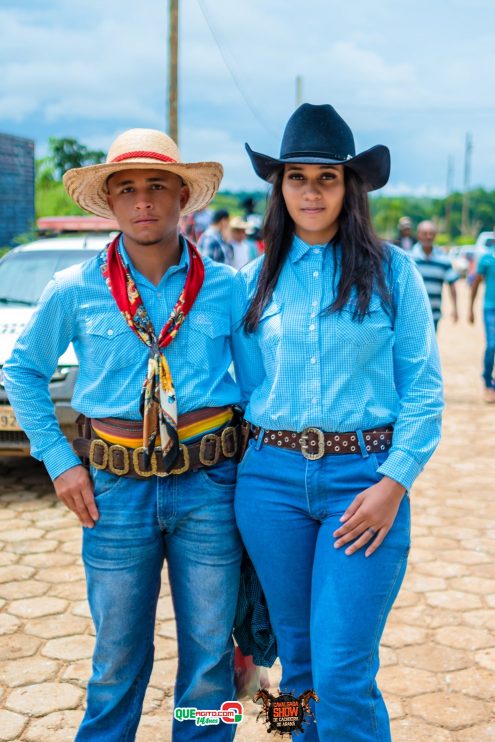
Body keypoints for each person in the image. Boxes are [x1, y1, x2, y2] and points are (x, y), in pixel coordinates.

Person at [3, 128, 244, 741]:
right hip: (113, 490)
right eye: (128, 189)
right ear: (109, 203)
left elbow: (260, 385)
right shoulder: (74, 289)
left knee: (211, 658)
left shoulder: (226, 286)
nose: (144, 202)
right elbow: (23, 371)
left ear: (183, 197)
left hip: (210, 486)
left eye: (158, 186)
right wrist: (60, 462)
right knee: (116, 657)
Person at [231, 103, 443, 741]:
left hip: (364, 482)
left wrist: (394, 483)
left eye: (327, 177)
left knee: (344, 673)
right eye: (297, 177)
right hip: (269, 486)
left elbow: (425, 390)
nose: (311, 191)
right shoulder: (251, 283)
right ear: (280, 186)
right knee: (297, 669)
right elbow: (243, 389)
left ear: (350, 185)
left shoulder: (392, 272)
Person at [412, 220, 459, 332]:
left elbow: (452, 284)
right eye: (425, 233)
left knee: (430, 348)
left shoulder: (444, 260)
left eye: (431, 233)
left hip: (434, 314)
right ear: (418, 235)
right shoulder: (409, 258)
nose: (428, 237)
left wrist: (455, 308)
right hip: (412, 314)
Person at [469, 231, 495, 402]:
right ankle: (488, 381)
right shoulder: (487, 258)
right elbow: (476, 283)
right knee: (492, 345)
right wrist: (470, 308)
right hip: (490, 308)